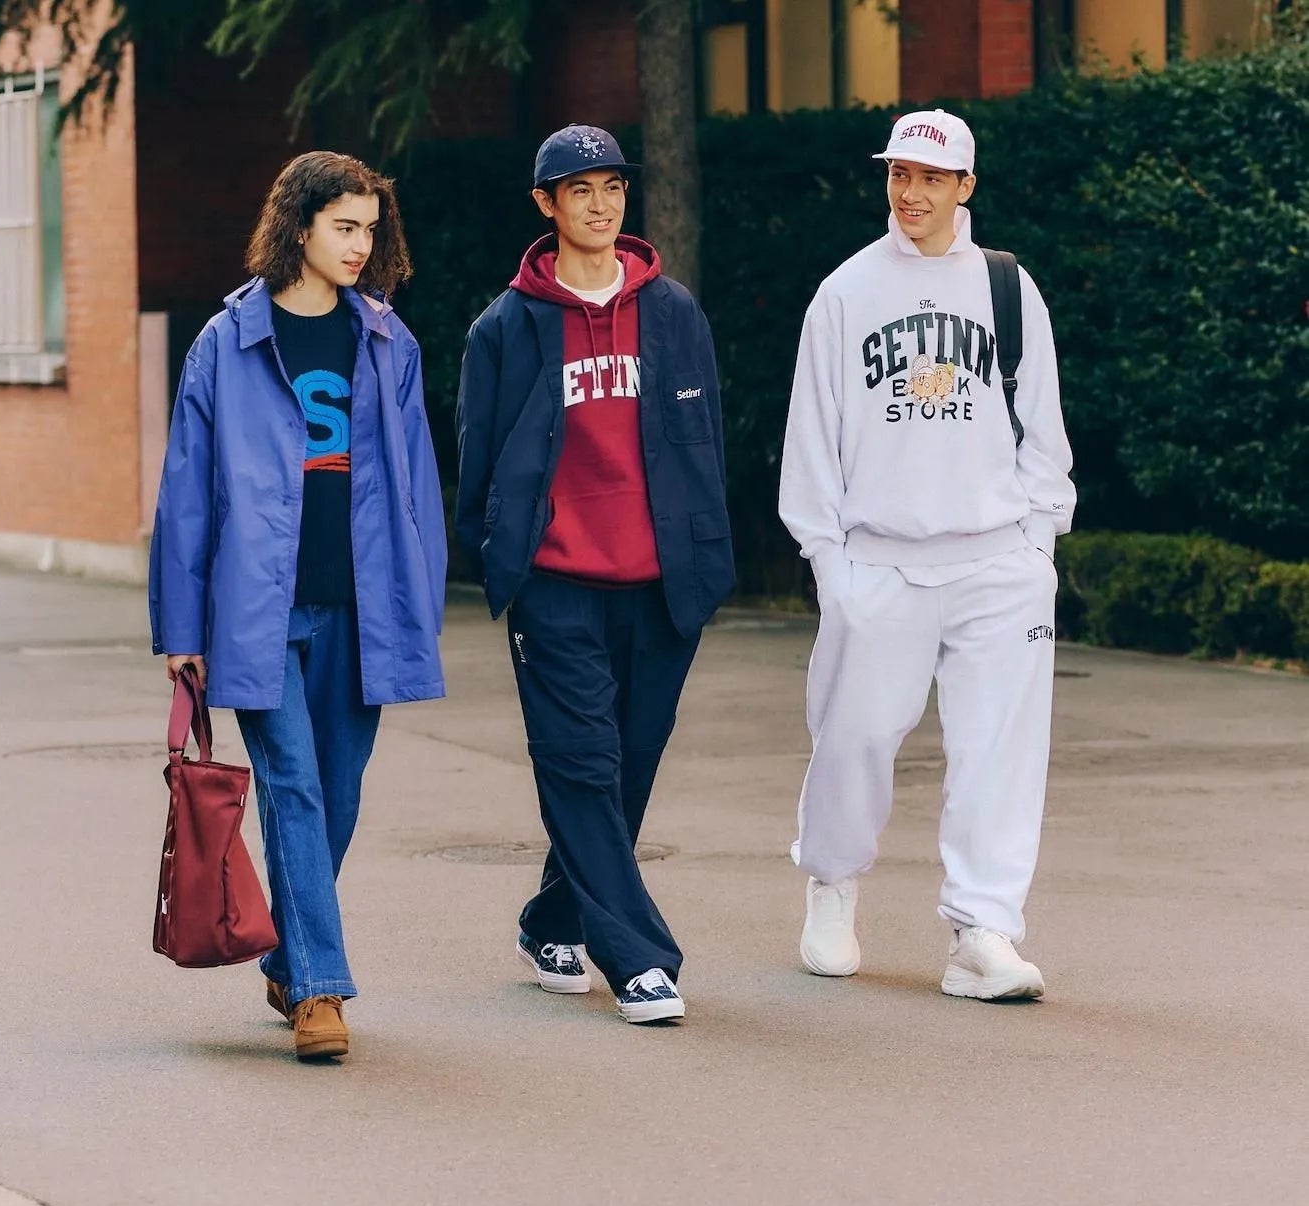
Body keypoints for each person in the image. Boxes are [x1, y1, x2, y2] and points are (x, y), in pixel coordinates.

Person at [149, 151, 446, 1061]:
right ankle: (320, 989)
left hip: (362, 604)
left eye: (369, 229)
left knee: (338, 794)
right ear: (299, 226)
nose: (359, 245)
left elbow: (419, 487)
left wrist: (421, 600)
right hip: (259, 608)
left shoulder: (388, 341)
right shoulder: (227, 342)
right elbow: (186, 492)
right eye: (343, 226)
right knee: (293, 784)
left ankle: (286, 955)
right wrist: (182, 627)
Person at [779, 108, 1075, 1001]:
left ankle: (983, 930)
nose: (911, 192)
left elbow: (1043, 430)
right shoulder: (845, 292)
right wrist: (832, 567)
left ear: (965, 186)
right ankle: (832, 883)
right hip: (880, 560)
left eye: (931, 178)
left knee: (1000, 754)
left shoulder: (1009, 288)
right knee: (854, 739)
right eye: (899, 173)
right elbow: (811, 438)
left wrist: (1037, 545)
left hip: (997, 563)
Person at [456, 124, 734, 1026]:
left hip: (661, 585)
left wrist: (706, 559)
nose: (602, 203)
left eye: (613, 186)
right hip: (555, 584)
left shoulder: (673, 312)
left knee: (627, 769)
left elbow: (704, 445)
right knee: (580, 763)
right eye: (580, 189)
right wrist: (499, 562)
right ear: (547, 204)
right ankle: (641, 959)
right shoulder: (506, 327)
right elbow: (478, 460)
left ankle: (552, 921)